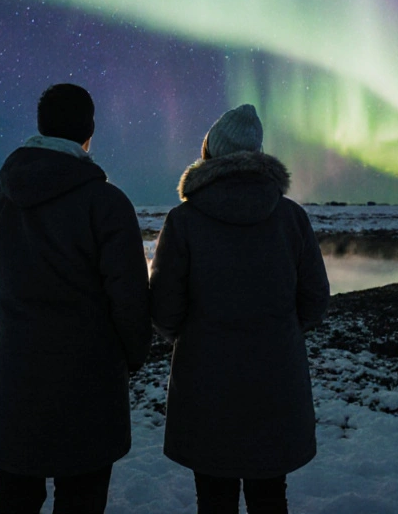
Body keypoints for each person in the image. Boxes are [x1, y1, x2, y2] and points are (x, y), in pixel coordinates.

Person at [0, 83, 151, 514]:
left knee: (16, 494)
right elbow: (129, 297)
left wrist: (13, 334)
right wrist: (131, 354)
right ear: (89, 132)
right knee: (83, 497)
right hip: (89, 384)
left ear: (40, 127)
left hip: (18, 376)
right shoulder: (106, 204)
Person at [149, 104, 330, 514]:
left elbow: (164, 306)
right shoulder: (291, 219)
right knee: (270, 495)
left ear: (210, 153)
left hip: (204, 383)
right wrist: (279, 333)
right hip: (275, 379)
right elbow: (315, 298)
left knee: (214, 497)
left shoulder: (184, 221)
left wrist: (189, 336)